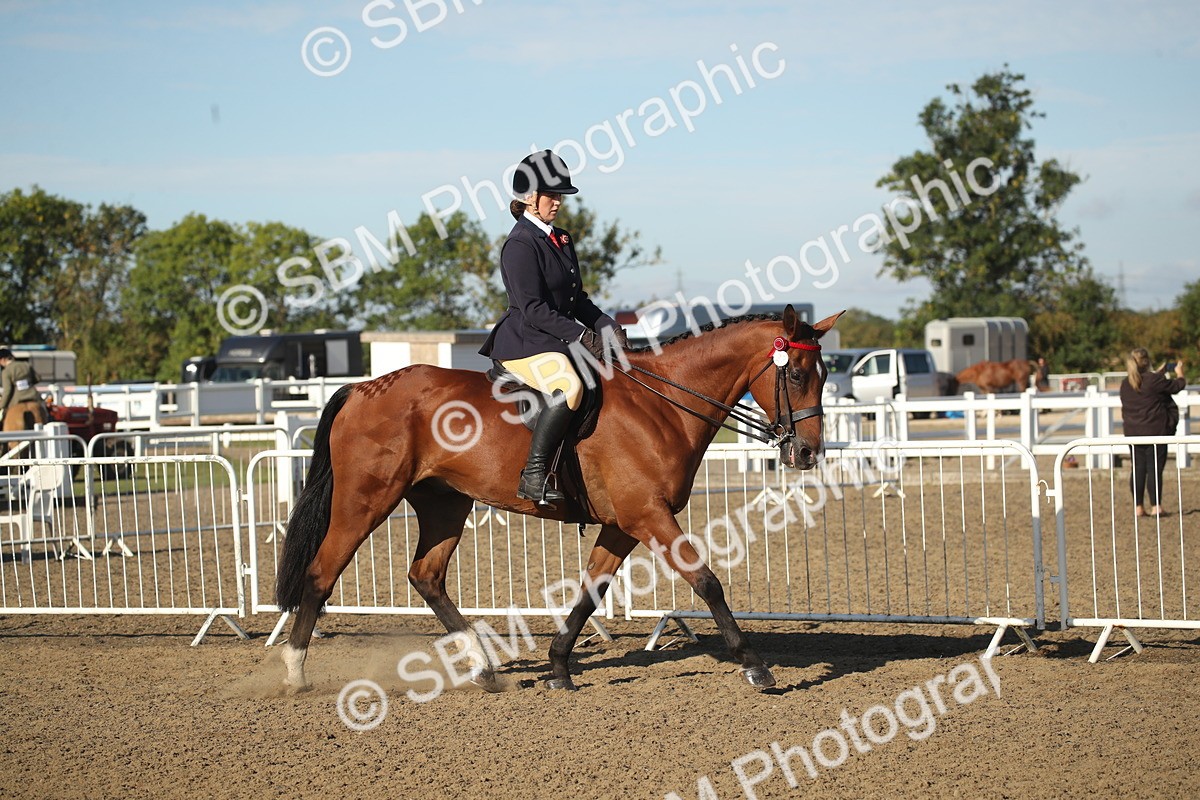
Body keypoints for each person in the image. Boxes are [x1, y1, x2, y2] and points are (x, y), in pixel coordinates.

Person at [479, 150, 629, 506]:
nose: (558, 202)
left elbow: (577, 300)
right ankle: (533, 475)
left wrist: (607, 328)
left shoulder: (560, 239)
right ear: (530, 198)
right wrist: (581, 336)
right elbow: (533, 309)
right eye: (552, 195)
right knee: (571, 385)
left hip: (552, 339)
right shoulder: (519, 244)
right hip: (524, 341)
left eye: (560, 195)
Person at [1119, 348, 1186, 517]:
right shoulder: (1154, 380)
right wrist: (1180, 373)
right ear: (1147, 361)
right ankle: (1156, 506)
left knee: (1138, 469)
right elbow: (1177, 386)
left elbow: (1146, 387)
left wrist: (1159, 373)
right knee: (1154, 469)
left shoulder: (1126, 384)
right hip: (1155, 432)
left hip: (1133, 433)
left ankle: (1138, 507)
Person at [0, 348, 47, 437]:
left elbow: (8, 391)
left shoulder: (6, 371)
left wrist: (2, 406)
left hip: (17, 401)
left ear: (3, 359)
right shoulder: (26, 365)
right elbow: (38, 379)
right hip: (34, 398)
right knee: (46, 414)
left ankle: (3, 447)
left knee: (3, 419)